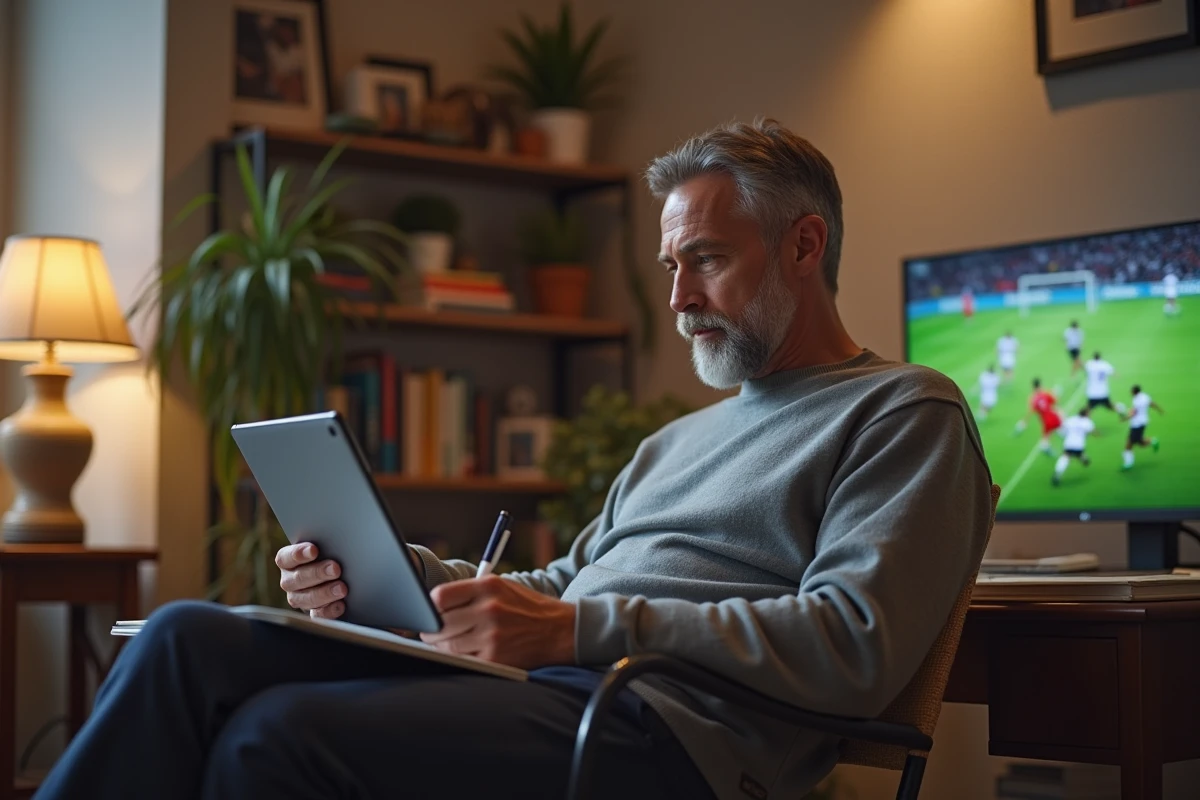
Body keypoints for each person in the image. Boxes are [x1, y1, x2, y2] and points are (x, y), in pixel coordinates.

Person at [34, 120, 993, 800]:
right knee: (184, 637)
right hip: (554, 689)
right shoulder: (676, 440)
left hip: (669, 739)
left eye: (703, 259)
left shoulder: (903, 412)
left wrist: (577, 631)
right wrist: (390, 576)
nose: (677, 299)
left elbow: (851, 644)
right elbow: (557, 586)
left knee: (272, 738)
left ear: (805, 246)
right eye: (669, 267)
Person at [1122, 384, 1164, 470]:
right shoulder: (1145, 396)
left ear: (1134, 392)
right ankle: (1153, 441)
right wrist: (1159, 410)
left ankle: (1128, 463)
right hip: (1143, 422)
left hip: (1137, 424)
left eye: (1131, 391)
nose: (1130, 392)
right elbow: (1152, 404)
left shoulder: (1136, 400)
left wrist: (1125, 418)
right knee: (1140, 442)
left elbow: (1134, 413)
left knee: (1128, 445)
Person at [1017, 377, 1061, 456]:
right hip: (1052, 416)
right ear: (1040, 385)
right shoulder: (1046, 393)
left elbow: (1031, 411)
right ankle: (1047, 447)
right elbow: (1055, 402)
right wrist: (1055, 392)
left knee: (1047, 433)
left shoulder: (1033, 398)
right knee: (1056, 430)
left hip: (1044, 418)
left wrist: (1024, 422)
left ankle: (1045, 446)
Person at [1052, 407, 1095, 486]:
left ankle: (1057, 473)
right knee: (1076, 454)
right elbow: (1091, 431)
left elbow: (1062, 428)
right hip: (1079, 444)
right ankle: (1084, 459)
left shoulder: (1071, 419)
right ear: (1086, 414)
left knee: (1065, 457)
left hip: (1068, 443)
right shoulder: (1087, 422)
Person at [1083, 352, 1122, 417]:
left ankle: (1086, 422)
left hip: (1092, 392)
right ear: (1100, 357)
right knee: (1110, 406)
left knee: (1088, 409)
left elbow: (1084, 368)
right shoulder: (1105, 364)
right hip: (1103, 392)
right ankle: (1122, 412)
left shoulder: (1090, 364)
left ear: (1093, 357)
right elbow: (1114, 373)